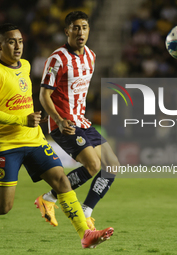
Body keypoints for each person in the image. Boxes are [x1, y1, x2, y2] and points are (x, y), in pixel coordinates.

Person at [0, 23, 113, 249]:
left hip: (34, 139)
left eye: (20, 41)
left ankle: (85, 234)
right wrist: (23, 119)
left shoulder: (26, 66)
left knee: (61, 181)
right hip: (6, 144)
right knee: (3, 207)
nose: (18, 46)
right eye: (11, 42)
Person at [35, 11, 120, 230]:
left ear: (89, 30)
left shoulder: (91, 56)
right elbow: (44, 95)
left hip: (82, 121)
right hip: (63, 124)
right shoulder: (57, 59)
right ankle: (51, 199)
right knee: (92, 165)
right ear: (67, 32)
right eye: (75, 27)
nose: (80, 31)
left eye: (84, 27)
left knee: (112, 166)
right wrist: (58, 119)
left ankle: (81, 209)